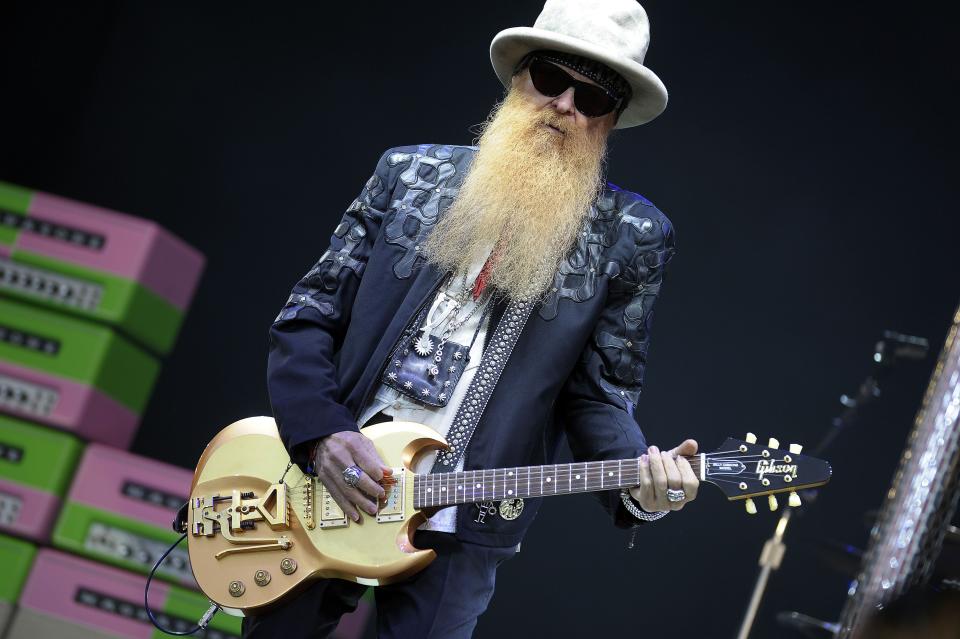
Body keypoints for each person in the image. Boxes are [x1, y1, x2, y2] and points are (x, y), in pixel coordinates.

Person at [249, 1, 699, 637]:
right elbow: (308, 315)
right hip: (331, 483)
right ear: (519, 81)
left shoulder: (633, 236)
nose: (565, 105)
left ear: (611, 120)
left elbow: (601, 395)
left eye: (593, 97)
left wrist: (642, 485)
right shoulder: (407, 175)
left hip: (464, 517)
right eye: (550, 80)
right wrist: (320, 434)